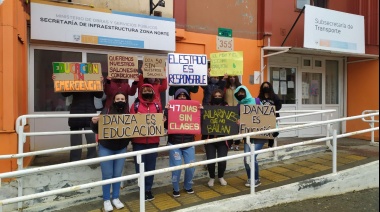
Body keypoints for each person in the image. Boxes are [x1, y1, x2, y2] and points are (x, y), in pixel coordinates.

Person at [90, 92, 129, 212]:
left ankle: (116, 198)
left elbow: (133, 129)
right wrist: (94, 122)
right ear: (114, 100)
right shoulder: (106, 111)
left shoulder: (129, 114)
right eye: (118, 98)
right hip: (106, 147)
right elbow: (96, 130)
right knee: (107, 175)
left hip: (121, 148)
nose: (120, 100)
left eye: (122, 98)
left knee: (117, 175)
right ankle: (106, 200)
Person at [52, 74, 104, 161]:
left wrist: (100, 83)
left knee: (91, 139)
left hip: (89, 114)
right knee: (75, 141)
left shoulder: (92, 83)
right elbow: (64, 93)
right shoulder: (74, 82)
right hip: (76, 113)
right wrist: (57, 80)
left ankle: (92, 161)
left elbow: (99, 95)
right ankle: (75, 161)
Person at [164, 89, 200, 197]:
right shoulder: (170, 109)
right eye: (180, 95)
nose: (182, 97)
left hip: (189, 143)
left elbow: (199, 122)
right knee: (177, 167)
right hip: (174, 143)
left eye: (184, 95)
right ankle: (175, 188)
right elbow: (166, 126)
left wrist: (200, 111)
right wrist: (166, 112)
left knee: (191, 167)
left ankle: (188, 186)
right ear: (176, 97)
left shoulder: (194, 109)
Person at [130, 84, 162, 201]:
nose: (147, 91)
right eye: (145, 90)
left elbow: (160, 121)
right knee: (139, 168)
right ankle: (141, 190)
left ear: (153, 92)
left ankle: (148, 189)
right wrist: (136, 117)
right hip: (138, 142)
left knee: (150, 167)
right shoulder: (135, 105)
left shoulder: (158, 105)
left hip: (153, 141)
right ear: (141, 92)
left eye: (149, 90)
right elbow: (130, 121)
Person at [234, 85, 267, 188]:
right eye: (238, 93)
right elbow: (235, 119)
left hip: (260, 135)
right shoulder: (239, 106)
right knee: (246, 159)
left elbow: (267, 115)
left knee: (251, 157)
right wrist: (238, 122)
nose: (240, 95)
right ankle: (250, 177)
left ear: (246, 92)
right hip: (248, 137)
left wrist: (275, 130)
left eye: (242, 92)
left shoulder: (256, 101)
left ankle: (256, 179)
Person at [205, 89, 229, 187]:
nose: (218, 98)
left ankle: (220, 177)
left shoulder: (227, 107)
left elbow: (231, 119)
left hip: (223, 140)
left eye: (220, 96)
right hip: (210, 139)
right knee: (210, 159)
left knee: (222, 160)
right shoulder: (207, 106)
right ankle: (211, 177)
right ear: (212, 97)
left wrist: (236, 122)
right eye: (216, 96)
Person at [258, 82, 282, 147]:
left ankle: (270, 145)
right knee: (265, 131)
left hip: (273, 116)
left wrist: (272, 109)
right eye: (264, 87)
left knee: (273, 131)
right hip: (263, 117)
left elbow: (279, 105)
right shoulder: (260, 97)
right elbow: (257, 106)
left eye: (267, 86)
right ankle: (261, 145)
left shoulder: (274, 96)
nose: (266, 88)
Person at [225, 76, 242, 151]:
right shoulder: (225, 88)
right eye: (230, 77)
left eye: (234, 77)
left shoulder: (240, 88)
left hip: (237, 109)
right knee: (229, 127)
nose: (232, 79)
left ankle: (237, 144)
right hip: (228, 109)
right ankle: (230, 143)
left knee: (237, 127)